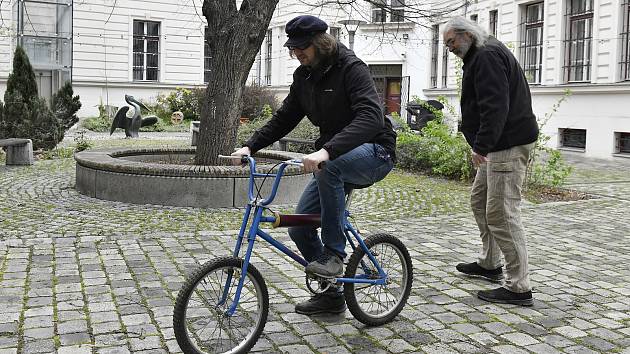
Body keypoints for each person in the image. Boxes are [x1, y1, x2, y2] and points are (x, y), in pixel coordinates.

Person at [232, 15, 397, 315]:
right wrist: (250, 145)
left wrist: (327, 151)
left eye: (302, 47)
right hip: (333, 157)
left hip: (375, 152)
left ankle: (334, 254)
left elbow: (371, 117)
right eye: (293, 48)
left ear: (321, 43)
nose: (297, 53)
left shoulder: (351, 68)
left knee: (330, 167)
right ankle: (332, 295)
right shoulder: (304, 76)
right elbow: (285, 117)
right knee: (299, 228)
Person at [443, 17, 539, 306]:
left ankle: (519, 286)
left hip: (505, 145)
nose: (449, 48)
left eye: (451, 42)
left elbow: (496, 106)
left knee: (502, 213)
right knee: (480, 200)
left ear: (467, 35)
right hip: (499, 144)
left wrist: (481, 146)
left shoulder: (486, 56)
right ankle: (489, 263)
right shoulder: (482, 53)